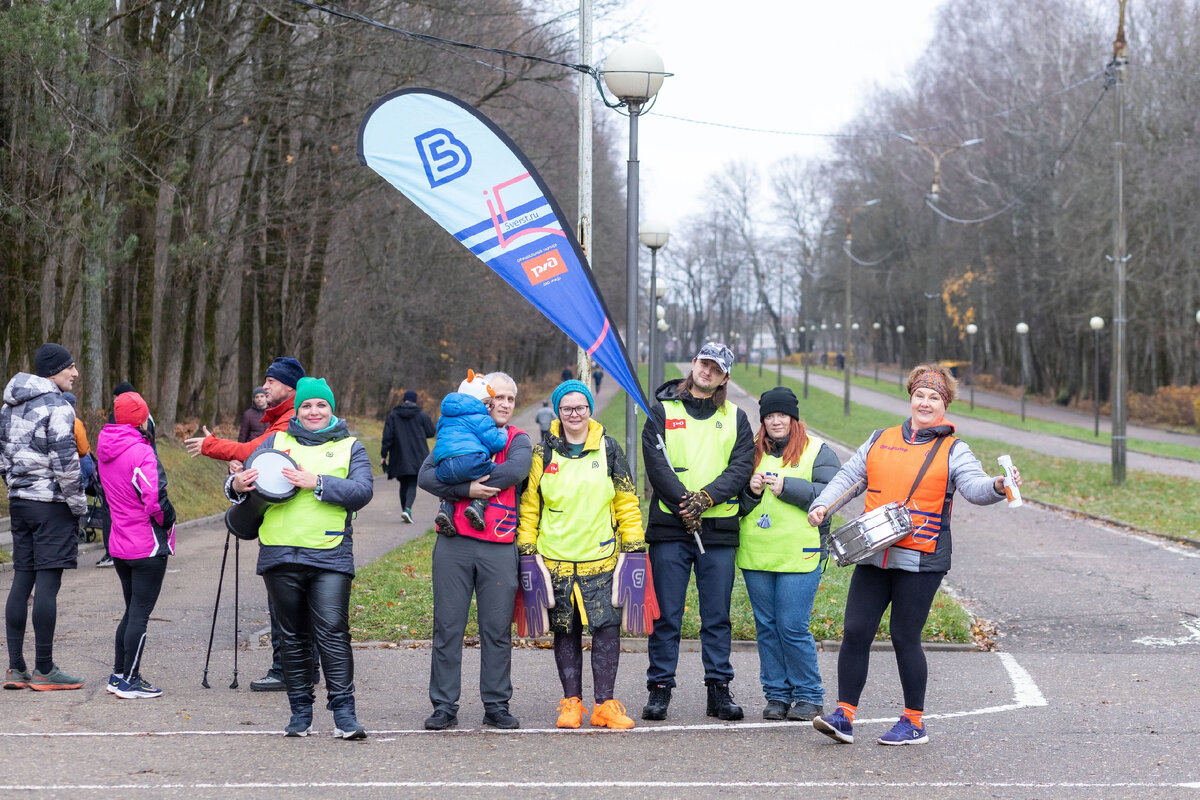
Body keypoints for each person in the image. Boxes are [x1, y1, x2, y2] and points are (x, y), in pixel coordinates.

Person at [807, 364, 1023, 747]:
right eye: (920, 395)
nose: (925, 402)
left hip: (921, 559)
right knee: (856, 631)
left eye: (934, 397)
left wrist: (999, 484)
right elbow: (849, 477)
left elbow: (974, 487)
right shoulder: (880, 438)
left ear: (945, 404)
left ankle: (913, 722)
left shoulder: (955, 449)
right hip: (874, 553)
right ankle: (844, 716)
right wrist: (823, 505)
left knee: (904, 635)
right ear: (910, 397)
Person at [228, 377, 374, 738]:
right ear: (297, 410)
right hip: (280, 555)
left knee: (333, 634)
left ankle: (344, 715)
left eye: (321, 405)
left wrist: (318, 483)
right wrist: (235, 485)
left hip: (330, 555)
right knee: (292, 638)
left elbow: (362, 491)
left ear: (331, 409)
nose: (313, 411)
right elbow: (237, 479)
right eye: (307, 405)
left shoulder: (350, 446)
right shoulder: (276, 441)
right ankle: (300, 714)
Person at [517, 380, 643, 730]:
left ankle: (605, 705)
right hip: (554, 562)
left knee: (607, 630)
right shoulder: (542, 455)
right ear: (558, 412)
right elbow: (530, 508)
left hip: (601, 561)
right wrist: (527, 552)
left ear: (590, 409)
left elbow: (627, 503)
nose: (575, 414)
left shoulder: (610, 449)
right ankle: (571, 704)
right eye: (568, 408)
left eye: (581, 407)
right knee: (565, 630)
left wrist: (633, 549)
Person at [640, 342, 755, 721]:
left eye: (716, 368)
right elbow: (656, 465)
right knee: (667, 614)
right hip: (670, 528)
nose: (708, 372)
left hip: (718, 529)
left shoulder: (736, 418)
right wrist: (683, 504)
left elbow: (740, 468)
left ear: (725, 377)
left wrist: (704, 499)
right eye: (704, 364)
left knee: (717, 615)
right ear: (693, 365)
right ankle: (659, 689)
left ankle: (718, 691)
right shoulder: (661, 411)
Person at [185, 355, 307, 692]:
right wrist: (243, 467)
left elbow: (254, 449)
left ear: (290, 386)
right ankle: (299, 669)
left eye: (271, 381)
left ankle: (289, 670)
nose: (265, 386)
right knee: (290, 603)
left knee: (286, 602)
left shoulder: (292, 419)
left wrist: (211, 446)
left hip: (291, 530)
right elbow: (255, 454)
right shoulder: (280, 417)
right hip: (286, 528)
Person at [417, 371, 530, 731]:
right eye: (500, 398)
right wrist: (467, 489)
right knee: (448, 626)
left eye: (512, 399)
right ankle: (444, 705)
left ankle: (496, 704)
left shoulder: (518, 438)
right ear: (486, 399)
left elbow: (516, 470)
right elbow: (425, 475)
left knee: (496, 629)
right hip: (454, 545)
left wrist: (467, 487)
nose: (506, 405)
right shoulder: (458, 429)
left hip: (499, 546)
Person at [736, 386, 840, 722]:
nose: (776, 421)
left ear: (793, 418)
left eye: (782, 414)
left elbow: (832, 495)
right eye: (769, 415)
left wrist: (787, 488)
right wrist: (749, 492)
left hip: (801, 555)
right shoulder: (749, 451)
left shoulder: (818, 451)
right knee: (766, 626)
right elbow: (733, 502)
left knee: (793, 626)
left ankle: (809, 695)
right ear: (763, 420)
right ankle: (777, 695)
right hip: (757, 554)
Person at [0, 343, 87, 690]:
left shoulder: (7, 408)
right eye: (70, 367)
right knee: (47, 585)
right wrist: (78, 506)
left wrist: (16, 487)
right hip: (52, 505)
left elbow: (3, 460)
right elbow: (67, 465)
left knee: (22, 581)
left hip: (20, 502)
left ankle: (15, 668)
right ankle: (45, 669)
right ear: (54, 371)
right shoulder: (58, 407)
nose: (75, 373)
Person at [96, 391, 176, 699]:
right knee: (139, 613)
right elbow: (153, 498)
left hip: (119, 543)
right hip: (146, 544)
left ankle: (118, 674)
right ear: (142, 418)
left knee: (131, 611)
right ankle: (130, 678)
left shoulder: (106, 449)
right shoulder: (141, 452)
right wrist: (167, 519)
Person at [430, 371, 508, 536]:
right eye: (487, 403)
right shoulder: (480, 417)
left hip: (443, 465)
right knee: (493, 469)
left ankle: (446, 508)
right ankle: (478, 504)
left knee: (452, 481)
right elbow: (496, 442)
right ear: (476, 401)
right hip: (469, 460)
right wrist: (503, 432)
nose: (488, 408)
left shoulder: (446, 415)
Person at [381, 389, 435, 524]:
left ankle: (405, 510)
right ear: (415, 400)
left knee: (403, 483)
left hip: (398, 455)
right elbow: (431, 432)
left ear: (404, 399)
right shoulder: (421, 414)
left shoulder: (393, 414)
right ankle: (407, 509)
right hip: (417, 454)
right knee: (412, 482)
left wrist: (384, 455)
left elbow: (387, 436)